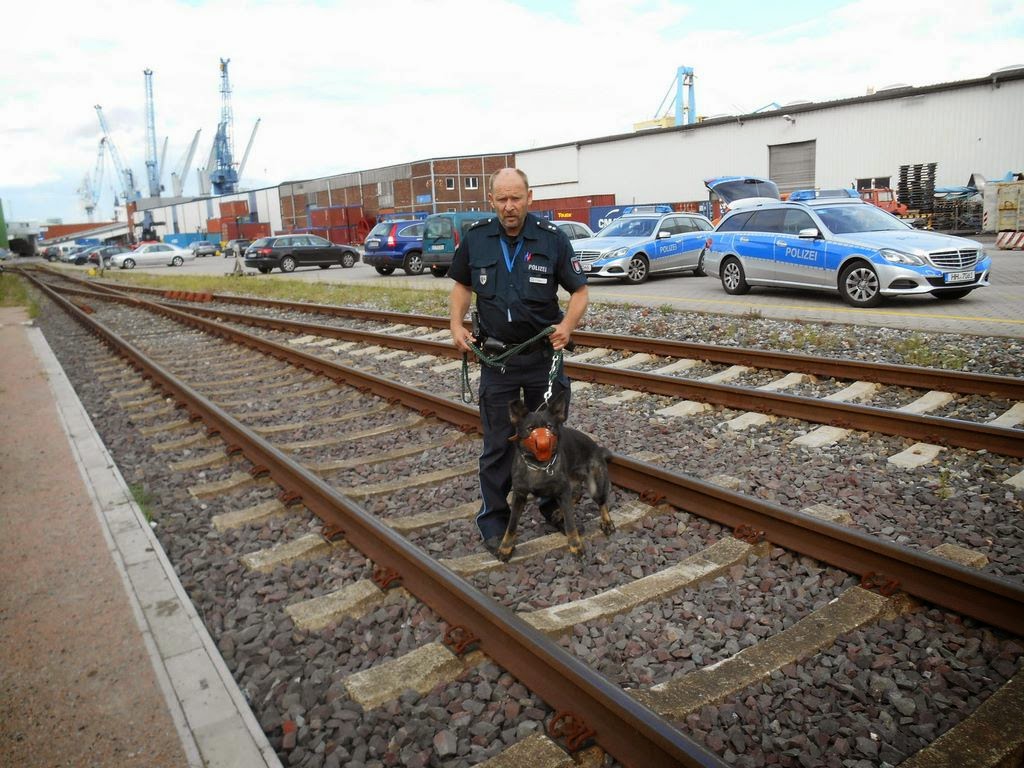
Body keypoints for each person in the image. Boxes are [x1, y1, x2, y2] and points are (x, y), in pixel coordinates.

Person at [448, 168, 590, 554]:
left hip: (543, 363)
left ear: (530, 197)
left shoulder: (552, 239)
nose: (509, 206)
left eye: (516, 198)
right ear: (491, 200)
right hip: (498, 364)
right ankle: (494, 520)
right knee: (497, 446)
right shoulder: (476, 239)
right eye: (502, 199)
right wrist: (455, 323)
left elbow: (579, 292)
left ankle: (551, 507)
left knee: (548, 442)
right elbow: (461, 285)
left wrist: (567, 325)